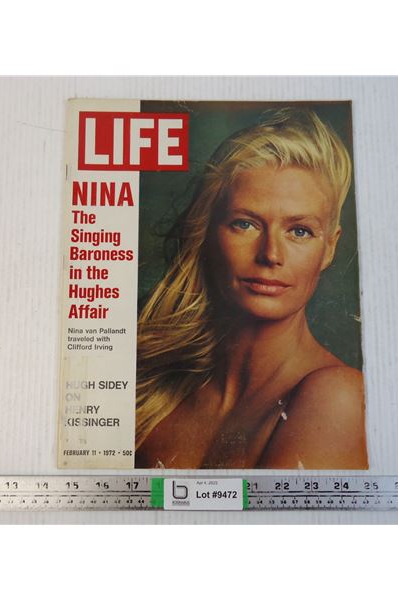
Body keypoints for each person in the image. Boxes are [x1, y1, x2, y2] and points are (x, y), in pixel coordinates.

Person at [135, 107, 368, 469]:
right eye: (245, 224)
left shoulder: (336, 398)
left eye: (300, 231)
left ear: (329, 247)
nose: (271, 254)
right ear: (207, 231)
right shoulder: (154, 391)